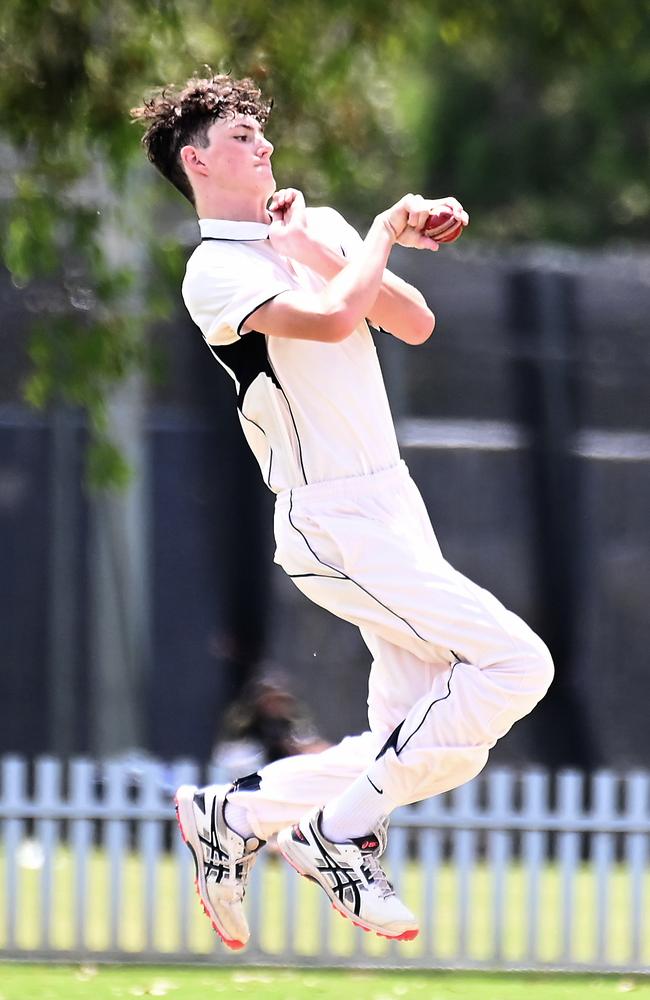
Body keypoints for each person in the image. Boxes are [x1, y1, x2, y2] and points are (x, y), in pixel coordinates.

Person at [131, 74, 554, 950]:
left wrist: (329, 242)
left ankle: (237, 815)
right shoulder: (214, 270)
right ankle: (339, 832)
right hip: (328, 516)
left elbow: (414, 319)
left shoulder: (308, 227)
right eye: (244, 135)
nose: (265, 146)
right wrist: (382, 231)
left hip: (392, 501)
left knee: (444, 743)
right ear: (197, 160)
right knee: (519, 665)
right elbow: (326, 325)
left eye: (263, 134)